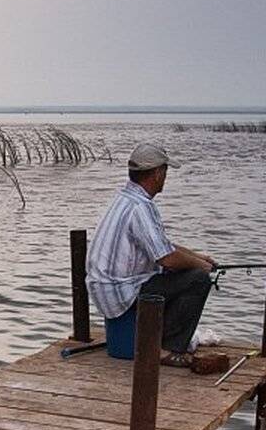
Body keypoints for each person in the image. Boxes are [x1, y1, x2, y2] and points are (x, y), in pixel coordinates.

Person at [86, 143, 228, 372]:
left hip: (106, 290)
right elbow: (166, 258)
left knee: (185, 271)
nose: (165, 177)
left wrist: (198, 257)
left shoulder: (125, 199)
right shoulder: (141, 207)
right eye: (165, 171)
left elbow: (162, 246)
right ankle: (167, 349)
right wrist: (201, 267)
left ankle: (157, 338)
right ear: (157, 174)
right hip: (121, 292)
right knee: (198, 280)